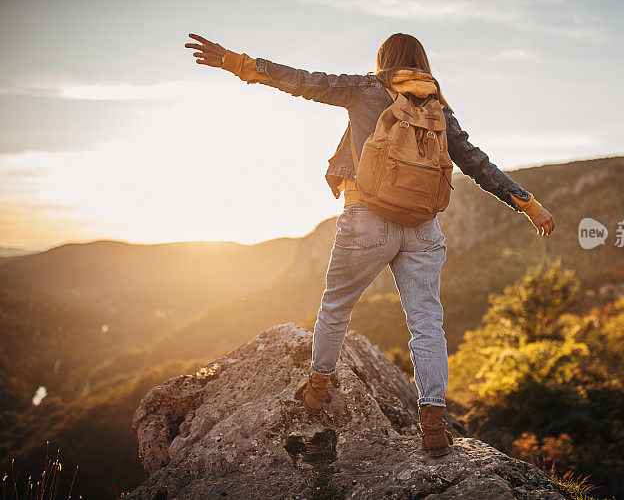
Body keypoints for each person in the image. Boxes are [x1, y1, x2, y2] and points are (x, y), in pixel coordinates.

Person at [184, 32, 555, 457]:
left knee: (337, 306)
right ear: (422, 63)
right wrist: (529, 205)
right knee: (427, 324)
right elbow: (477, 164)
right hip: (422, 226)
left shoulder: (365, 87)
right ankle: (433, 425)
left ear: (384, 60)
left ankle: (318, 389)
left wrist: (237, 62)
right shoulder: (438, 108)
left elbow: (303, 80)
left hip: (366, 218)